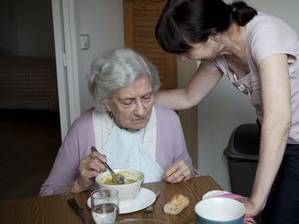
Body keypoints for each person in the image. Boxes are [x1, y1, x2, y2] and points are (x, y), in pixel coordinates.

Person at [154, 0, 299, 224]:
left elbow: (279, 120)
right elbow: (187, 96)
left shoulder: (265, 34)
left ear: (212, 34)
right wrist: (141, 97)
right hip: (283, 141)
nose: (182, 57)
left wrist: (255, 200)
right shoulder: (219, 53)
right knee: (272, 215)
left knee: (284, 218)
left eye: (185, 50)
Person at [40, 48, 198, 196]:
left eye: (147, 97)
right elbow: (47, 193)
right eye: (128, 102)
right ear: (106, 103)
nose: (141, 111)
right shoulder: (84, 128)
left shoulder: (169, 120)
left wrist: (189, 173)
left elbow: (189, 173)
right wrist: (78, 185)